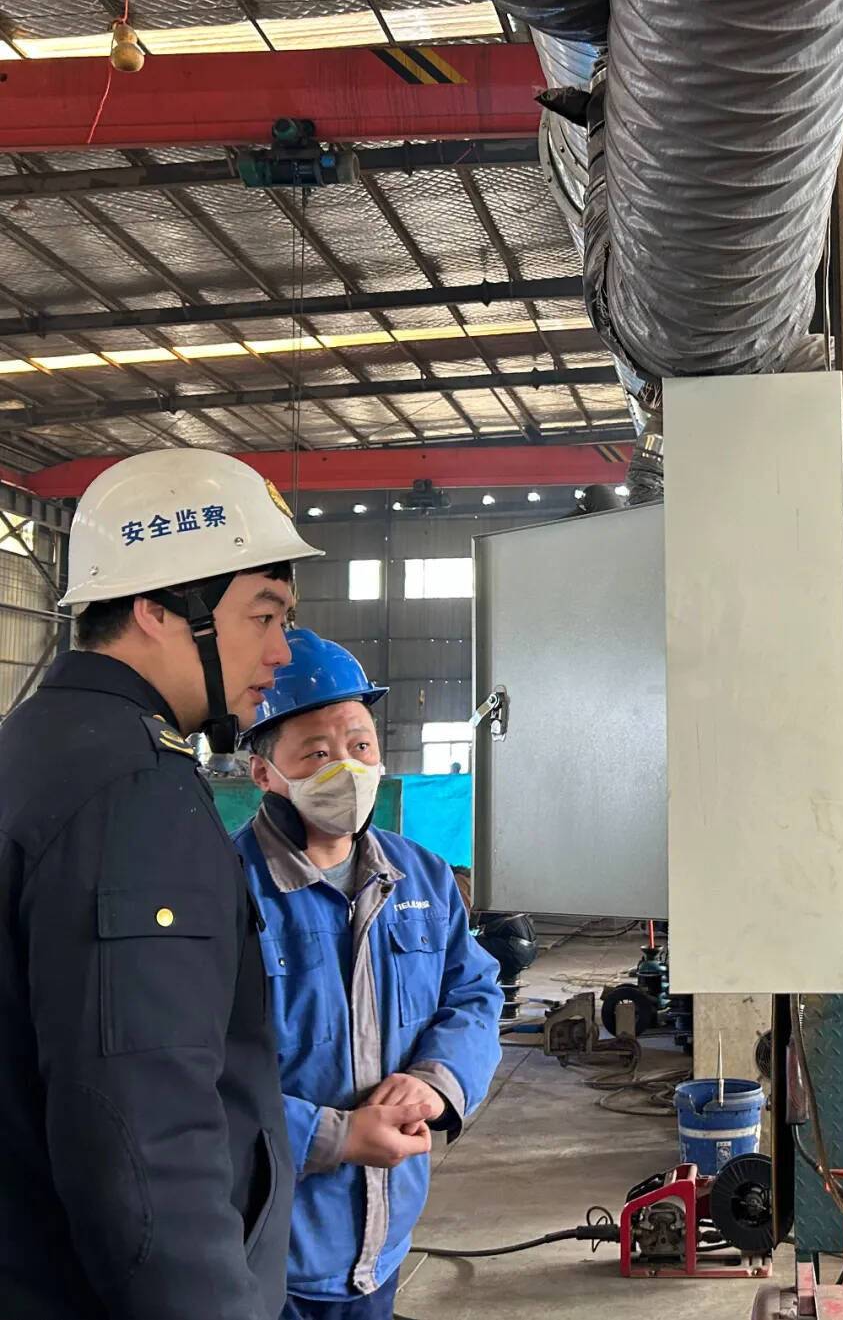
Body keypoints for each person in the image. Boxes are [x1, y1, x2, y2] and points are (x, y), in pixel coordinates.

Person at [0, 449, 323, 1320]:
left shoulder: (31, 748)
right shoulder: (136, 792)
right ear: (156, 609)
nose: (280, 650)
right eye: (263, 614)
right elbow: (144, 1144)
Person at [235, 629, 503, 1320]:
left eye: (360, 745)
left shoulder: (422, 878)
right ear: (263, 772)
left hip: (382, 1246)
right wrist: (334, 1137)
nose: (347, 769)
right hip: (264, 1258)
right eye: (316, 754)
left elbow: (474, 993)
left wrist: (436, 1080)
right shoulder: (222, 890)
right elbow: (191, 1073)